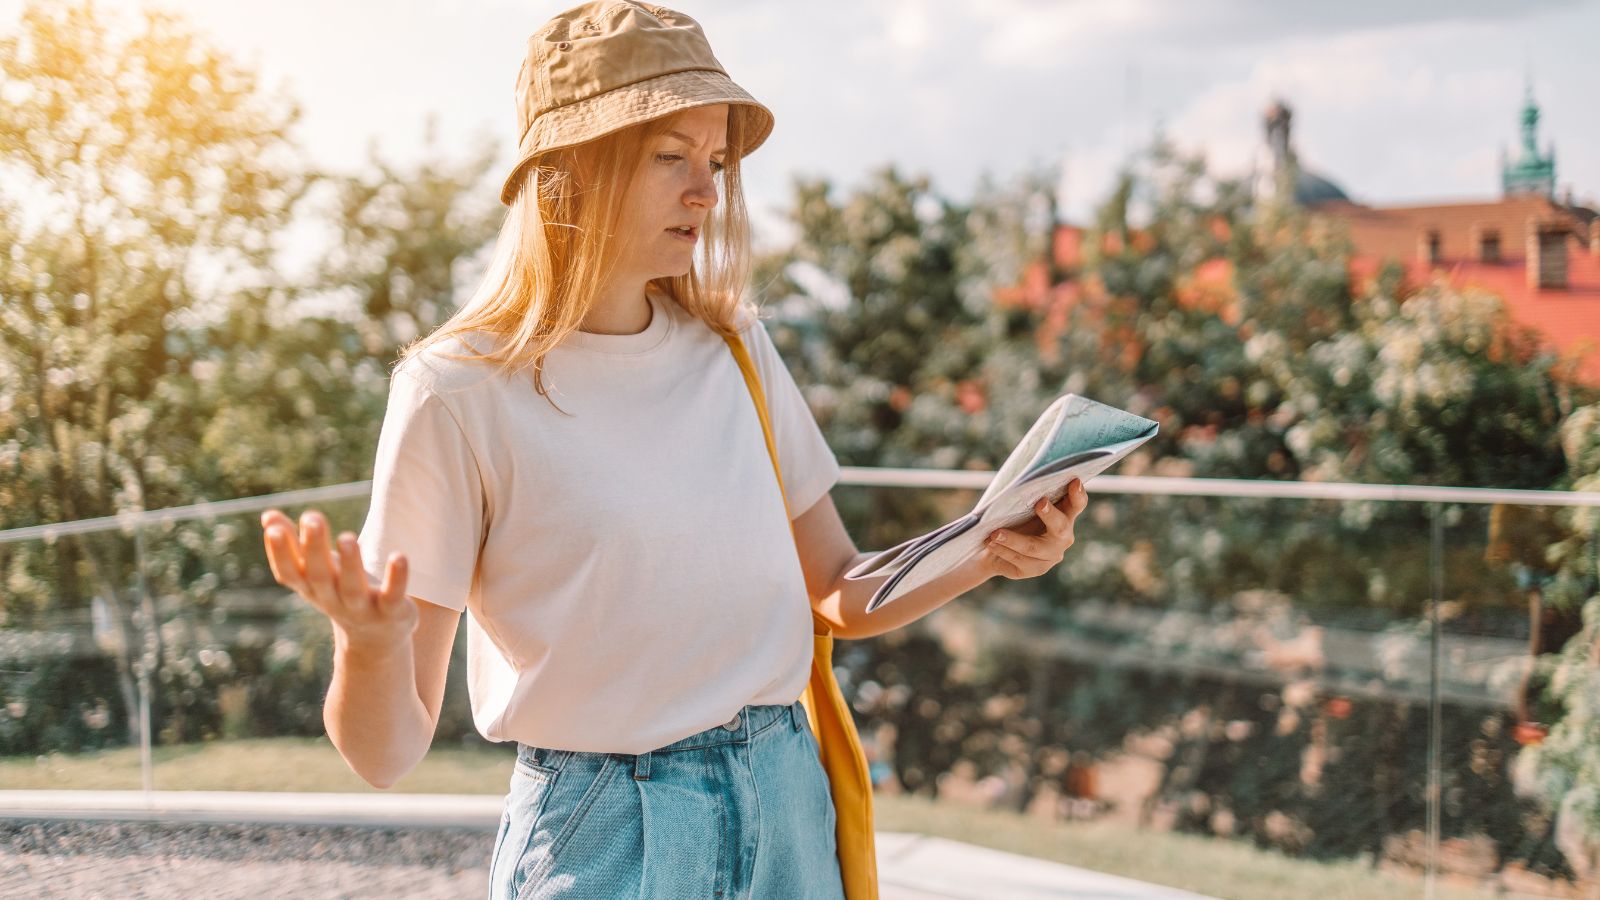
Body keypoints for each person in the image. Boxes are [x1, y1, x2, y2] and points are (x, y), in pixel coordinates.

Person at [257, 3, 1090, 897]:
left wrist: (988, 551)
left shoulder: (734, 348)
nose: (708, 191)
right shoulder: (455, 390)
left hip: (787, 811)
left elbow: (837, 591)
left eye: (717, 161)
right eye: (670, 157)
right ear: (568, 170)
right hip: (608, 835)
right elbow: (385, 756)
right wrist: (369, 646)